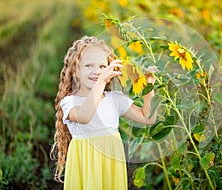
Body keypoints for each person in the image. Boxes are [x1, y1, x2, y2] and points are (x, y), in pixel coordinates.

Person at [50, 36, 156, 190]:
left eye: (102, 66)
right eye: (89, 65)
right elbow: (85, 116)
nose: (97, 71)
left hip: (112, 164)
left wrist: (149, 87)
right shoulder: (70, 102)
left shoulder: (114, 99)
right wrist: (101, 82)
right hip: (87, 166)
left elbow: (148, 117)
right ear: (75, 70)